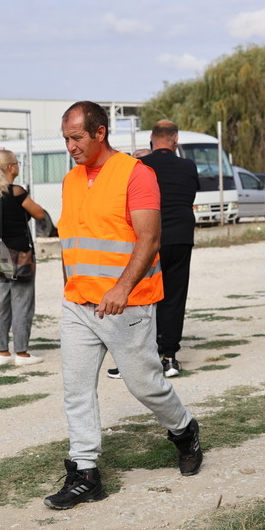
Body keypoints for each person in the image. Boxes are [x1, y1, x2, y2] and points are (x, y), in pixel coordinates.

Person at [44, 101, 203, 511]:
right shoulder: (70, 180)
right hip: (79, 304)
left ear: (100, 132)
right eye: (65, 138)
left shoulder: (137, 174)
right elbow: (72, 239)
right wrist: (69, 286)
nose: (70, 146)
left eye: (76, 137)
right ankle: (85, 473)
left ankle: (184, 430)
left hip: (125, 305)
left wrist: (121, 288)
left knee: (144, 385)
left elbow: (149, 239)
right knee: (77, 390)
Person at [107, 120, 199, 379]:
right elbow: (189, 195)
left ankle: (133, 359)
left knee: (143, 297)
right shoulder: (188, 166)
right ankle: (169, 357)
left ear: (151, 139)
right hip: (180, 237)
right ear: (175, 139)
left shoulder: (141, 167)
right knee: (174, 296)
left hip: (148, 239)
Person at [0, 150, 46, 366]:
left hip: (2, 251)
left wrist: (3, 232)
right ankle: (22, 353)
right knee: (22, 302)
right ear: (10, 168)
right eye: (17, 163)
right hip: (21, 253)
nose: (18, 166)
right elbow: (40, 214)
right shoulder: (17, 192)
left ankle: (2, 352)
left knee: (1, 302)